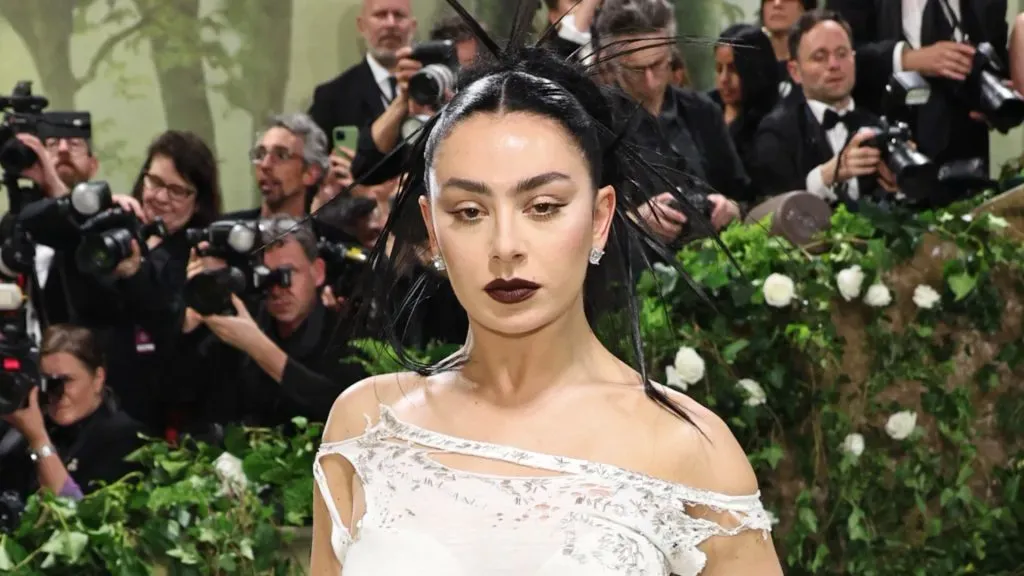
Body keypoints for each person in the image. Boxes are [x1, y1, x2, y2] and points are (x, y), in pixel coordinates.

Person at [309, 3, 781, 574]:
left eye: (543, 207)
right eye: (469, 211)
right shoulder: (365, 427)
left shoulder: (691, 449)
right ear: (432, 231)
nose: (505, 245)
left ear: (601, 217)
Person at [750, 10, 901, 207]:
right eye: (820, 57)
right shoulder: (775, 133)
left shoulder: (878, 125)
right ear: (795, 72)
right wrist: (825, 176)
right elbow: (772, 212)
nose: (834, 65)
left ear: (854, 59)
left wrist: (901, 185)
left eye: (842, 54)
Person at [0, 324, 145, 501]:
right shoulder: (22, 430)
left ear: (98, 378)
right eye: (48, 382)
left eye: (65, 380)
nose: (55, 393)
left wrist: (39, 441)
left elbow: (80, 517)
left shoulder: (126, 437)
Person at [709, 24, 781, 186]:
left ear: (755, 70)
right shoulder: (703, 108)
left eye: (733, 69)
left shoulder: (774, 124)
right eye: (719, 69)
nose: (724, 79)